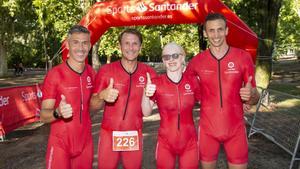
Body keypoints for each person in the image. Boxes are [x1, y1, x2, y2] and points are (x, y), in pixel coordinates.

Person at [186, 13, 260, 169]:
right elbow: (186, 89)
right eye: (211, 30)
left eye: (220, 29)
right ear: (205, 33)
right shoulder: (196, 62)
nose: (216, 34)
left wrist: (250, 96)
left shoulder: (242, 57)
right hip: (208, 131)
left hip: (235, 130)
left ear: (227, 31)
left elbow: (254, 97)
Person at [90, 28, 157, 169]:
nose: (131, 48)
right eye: (126, 43)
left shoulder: (149, 73)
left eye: (135, 44)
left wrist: (150, 94)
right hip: (109, 133)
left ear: (140, 46)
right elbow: (93, 106)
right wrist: (102, 96)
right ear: (120, 46)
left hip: (134, 133)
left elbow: (149, 110)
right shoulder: (106, 71)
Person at [40, 25, 95, 169]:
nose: (81, 48)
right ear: (67, 45)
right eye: (75, 42)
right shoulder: (55, 74)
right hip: (60, 144)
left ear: (89, 46)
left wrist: (102, 96)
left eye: (85, 43)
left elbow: (94, 105)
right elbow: (43, 116)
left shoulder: (91, 73)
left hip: (85, 144)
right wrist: (58, 112)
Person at [141, 42, 200, 169]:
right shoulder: (156, 83)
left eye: (175, 55)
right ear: (163, 60)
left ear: (183, 57)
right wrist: (145, 93)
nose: (171, 60)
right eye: (166, 57)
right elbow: (146, 112)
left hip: (189, 143)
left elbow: (208, 103)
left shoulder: (193, 81)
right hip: (165, 144)